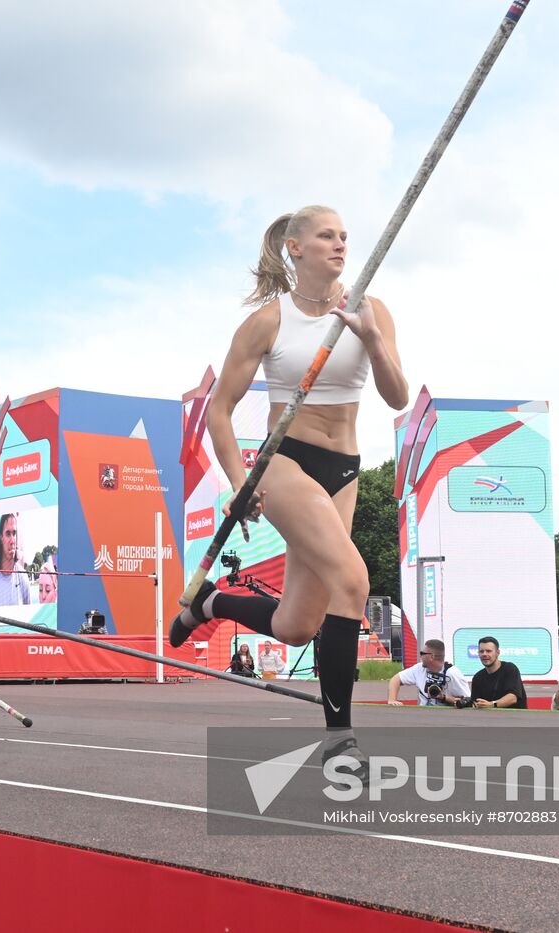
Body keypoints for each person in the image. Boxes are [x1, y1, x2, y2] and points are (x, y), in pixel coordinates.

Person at [167, 205, 408, 763]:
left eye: (345, 236)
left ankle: (210, 604)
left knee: (298, 625)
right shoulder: (269, 321)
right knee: (353, 578)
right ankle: (340, 742)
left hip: (343, 468)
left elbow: (396, 395)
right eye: (327, 236)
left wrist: (371, 339)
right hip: (284, 460)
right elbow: (219, 411)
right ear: (296, 248)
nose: (341, 244)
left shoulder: (370, 308)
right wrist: (239, 482)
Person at [387, 638, 469, 707]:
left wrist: (443, 697)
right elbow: (395, 679)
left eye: (422, 653)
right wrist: (392, 700)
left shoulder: (452, 674)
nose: (420, 656)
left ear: (432, 656)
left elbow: (468, 701)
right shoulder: (419, 668)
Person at [0, 513, 31, 607]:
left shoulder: (23, 578)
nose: (12, 540)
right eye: (8, 534)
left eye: (14, 533)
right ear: (1, 537)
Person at [469, 636, 527, 710]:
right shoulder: (478, 677)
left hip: (515, 719)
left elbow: (513, 698)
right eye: (481, 651)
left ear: (498, 652)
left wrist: (492, 704)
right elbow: (476, 702)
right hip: (488, 719)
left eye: (488, 651)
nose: (484, 654)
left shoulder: (510, 669)